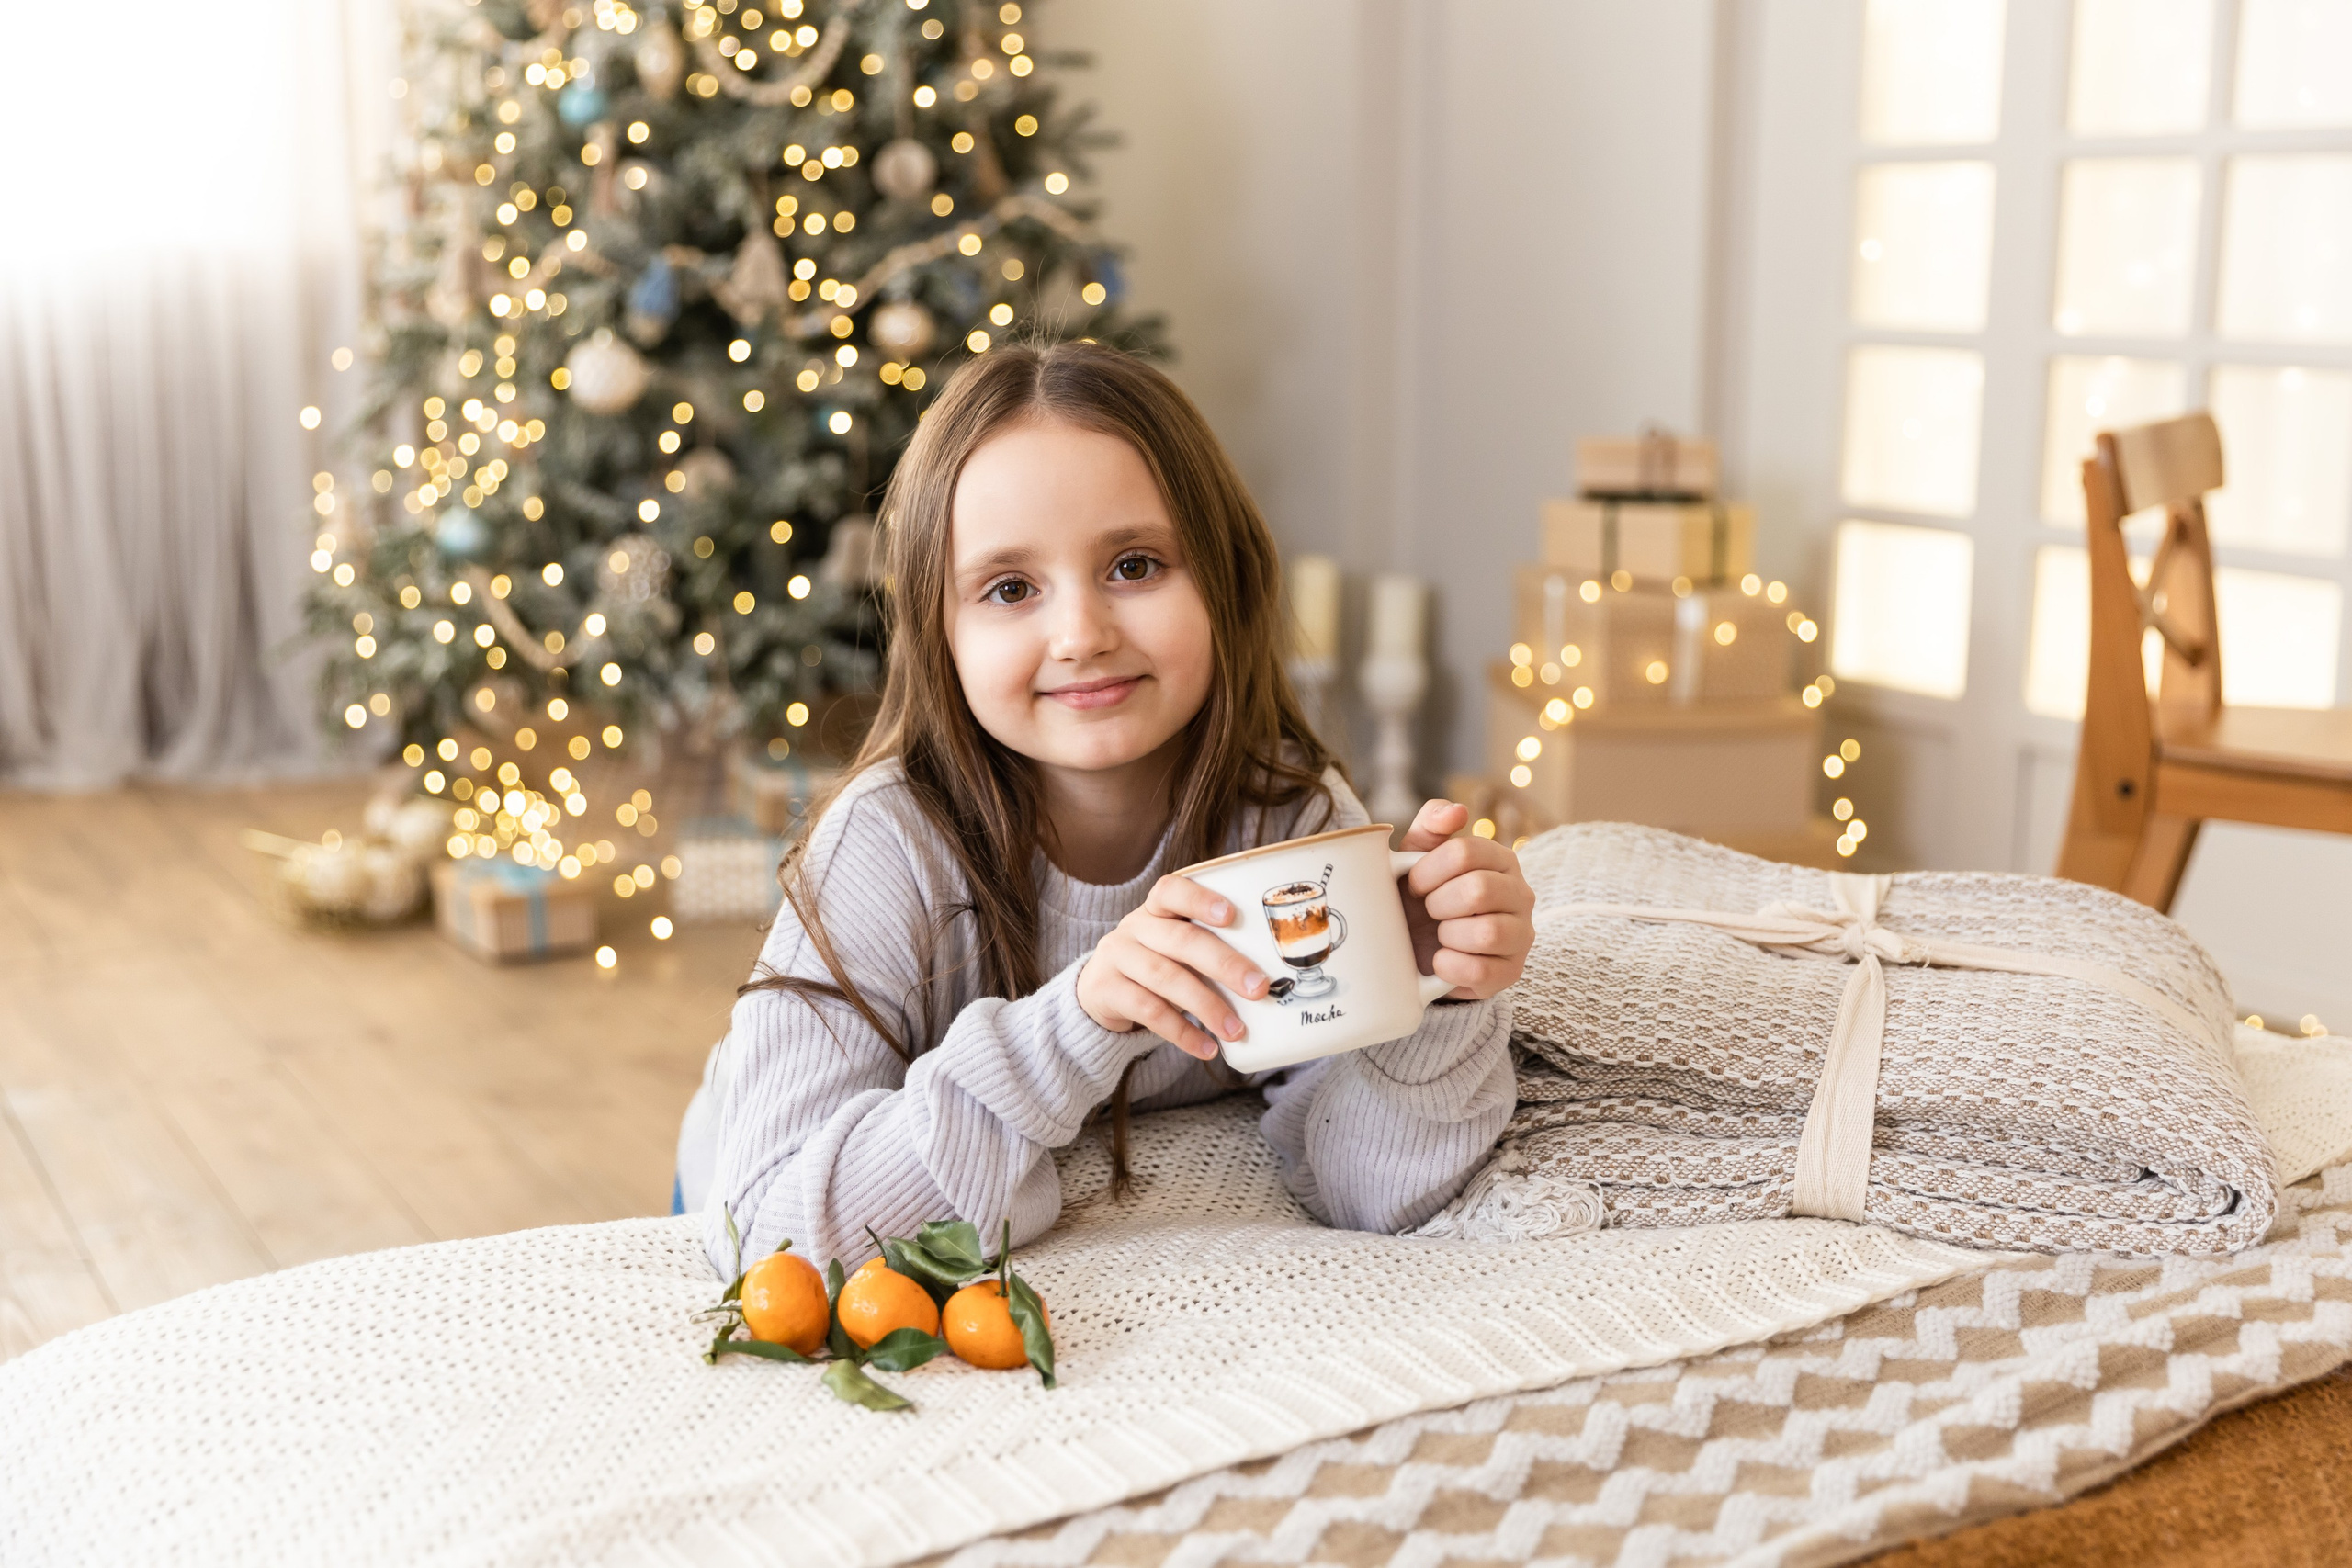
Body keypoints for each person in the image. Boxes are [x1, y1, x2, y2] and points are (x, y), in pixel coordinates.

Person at [677, 341, 1534, 1272]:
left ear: (1224, 580)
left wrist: (1430, 992)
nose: (1081, 635)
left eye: (1134, 566)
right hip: (755, 1162)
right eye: (1010, 589)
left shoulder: (1286, 818)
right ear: (938, 632)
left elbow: (1373, 1190)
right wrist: (1076, 1021)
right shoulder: (882, 845)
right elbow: (771, 1241)